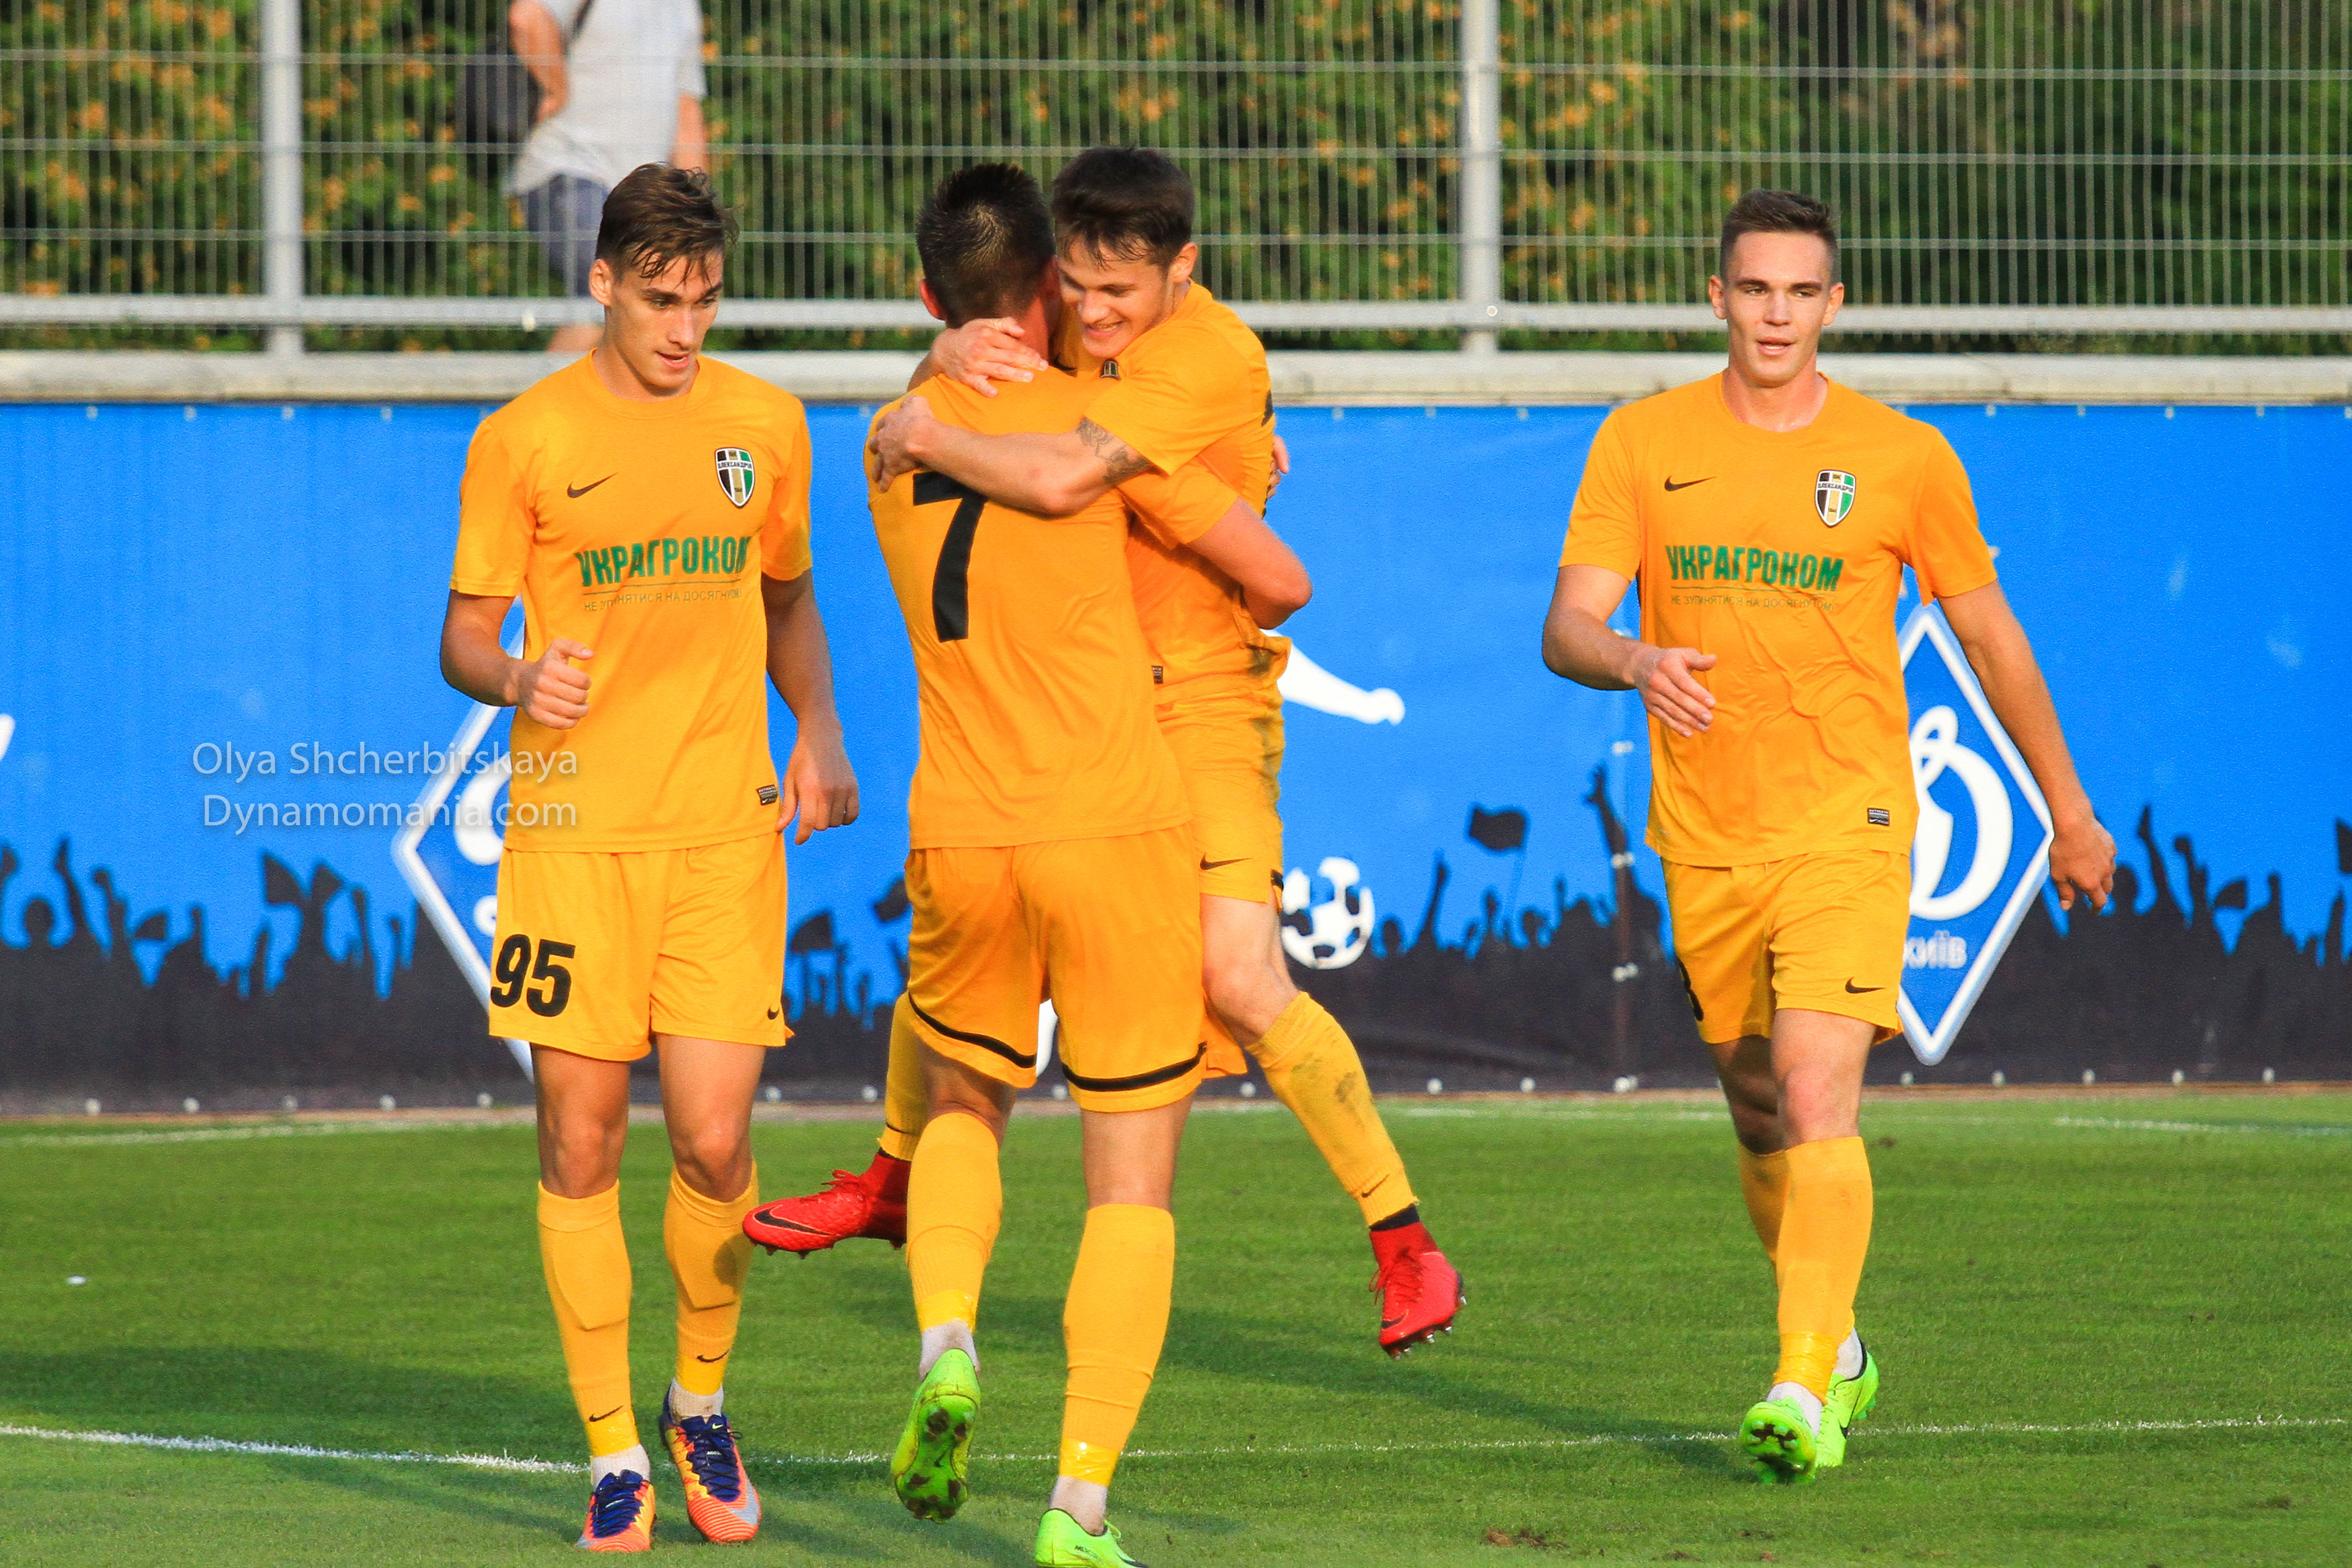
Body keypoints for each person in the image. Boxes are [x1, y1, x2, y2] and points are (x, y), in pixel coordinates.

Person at [750, 146, 1465, 1360]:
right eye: (1073, 287)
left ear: (1182, 271)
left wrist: (921, 426)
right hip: (1097, 710)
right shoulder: (1084, 334)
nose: (1089, 312)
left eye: (1115, 292)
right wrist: (942, 359)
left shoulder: (1203, 358)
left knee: (1235, 975)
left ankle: (1403, 1237)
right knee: (980, 928)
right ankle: (894, 1174)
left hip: (1201, 697)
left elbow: (1108, 495)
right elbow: (1009, 372)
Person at [1540, 188, 2117, 1484]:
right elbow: (1567, 624)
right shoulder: (1641, 441)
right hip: (1705, 834)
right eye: (1754, 289)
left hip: (1848, 822)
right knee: (1757, 1109)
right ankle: (1840, 1341)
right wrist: (1633, 657)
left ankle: (1800, 1382)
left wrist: (2068, 811)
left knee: (1816, 1090)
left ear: (1833, 305)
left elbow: (1988, 635)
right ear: (1717, 298)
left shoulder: (1901, 456)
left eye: (1800, 292)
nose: (1775, 314)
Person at [853, 162, 1309, 1568]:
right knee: (1129, 1186)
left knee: (961, 1108)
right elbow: (1278, 580)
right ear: (1055, 285)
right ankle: (1079, 1502)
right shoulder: (1105, 435)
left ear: (931, 298)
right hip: (1113, 825)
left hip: (959, 830)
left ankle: (945, 1341)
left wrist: (934, 392)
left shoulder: (887, 439)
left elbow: (928, 405)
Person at [437, 164, 858, 1550]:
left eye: (706, 301)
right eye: (662, 299)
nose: (686, 328)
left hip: (724, 832)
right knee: (581, 1140)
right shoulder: (523, 438)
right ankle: (614, 1448)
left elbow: (787, 596)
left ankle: (699, 1401)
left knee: (717, 1138)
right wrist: (515, 678)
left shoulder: (765, 424)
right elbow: (463, 635)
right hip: (571, 842)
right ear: (603, 282)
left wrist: (819, 729)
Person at [506, 0, 708, 353]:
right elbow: (527, 18)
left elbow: (686, 110)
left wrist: (698, 212)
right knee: (614, 294)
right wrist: (556, 89)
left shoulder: (683, 6)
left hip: (639, 197)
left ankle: (567, 387)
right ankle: (548, 391)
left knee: (639, 306)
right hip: (570, 166)